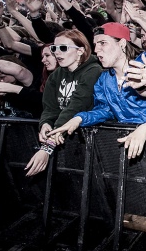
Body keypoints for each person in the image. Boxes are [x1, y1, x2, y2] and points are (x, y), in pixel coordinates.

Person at [49, 23, 146, 159]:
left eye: (103, 43)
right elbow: (106, 110)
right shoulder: (104, 79)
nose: (97, 50)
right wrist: (79, 118)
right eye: (95, 44)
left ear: (122, 43)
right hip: (131, 148)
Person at [24, 29, 102, 176]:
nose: (57, 53)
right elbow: (49, 108)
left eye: (63, 48)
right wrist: (46, 123)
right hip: (65, 138)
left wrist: (48, 147)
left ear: (80, 50)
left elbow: (77, 106)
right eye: (54, 48)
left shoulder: (93, 71)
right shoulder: (55, 76)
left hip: (93, 140)